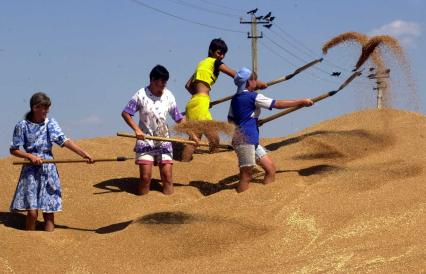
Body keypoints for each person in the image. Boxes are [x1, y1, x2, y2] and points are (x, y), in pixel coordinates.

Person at [10, 92, 94, 232]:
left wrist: (83, 154)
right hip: (30, 170)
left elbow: (64, 140)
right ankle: (28, 242)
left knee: (48, 212)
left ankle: (48, 245)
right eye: (44, 108)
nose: (46, 111)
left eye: (47, 108)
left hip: (48, 168)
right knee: (32, 213)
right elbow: (14, 149)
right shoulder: (22, 125)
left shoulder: (50, 123)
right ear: (35, 107)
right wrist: (30, 156)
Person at [228, 67, 314, 193]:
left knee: (270, 169)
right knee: (246, 175)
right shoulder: (253, 97)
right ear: (248, 82)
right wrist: (301, 101)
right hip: (245, 140)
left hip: (250, 140)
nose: (257, 82)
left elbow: (231, 119)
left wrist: (253, 121)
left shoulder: (235, 98)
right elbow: (277, 104)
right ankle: (240, 204)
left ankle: (266, 198)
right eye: (255, 80)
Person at [182, 38, 267, 162]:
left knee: (197, 138)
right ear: (211, 51)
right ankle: (210, 165)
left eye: (223, 54)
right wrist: (257, 83)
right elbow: (237, 75)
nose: (221, 56)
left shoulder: (201, 63)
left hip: (195, 102)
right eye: (219, 53)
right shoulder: (215, 62)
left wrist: (202, 97)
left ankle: (187, 164)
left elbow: (188, 86)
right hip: (200, 103)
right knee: (212, 139)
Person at [121, 65, 184, 195]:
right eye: (161, 81)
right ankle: (143, 205)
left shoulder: (168, 95)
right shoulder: (141, 94)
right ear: (152, 80)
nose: (163, 84)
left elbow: (178, 117)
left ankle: (169, 206)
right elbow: (126, 113)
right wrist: (137, 130)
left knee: (167, 176)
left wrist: (192, 134)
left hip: (163, 139)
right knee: (145, 178)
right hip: (146, 140)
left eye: (165, 81)